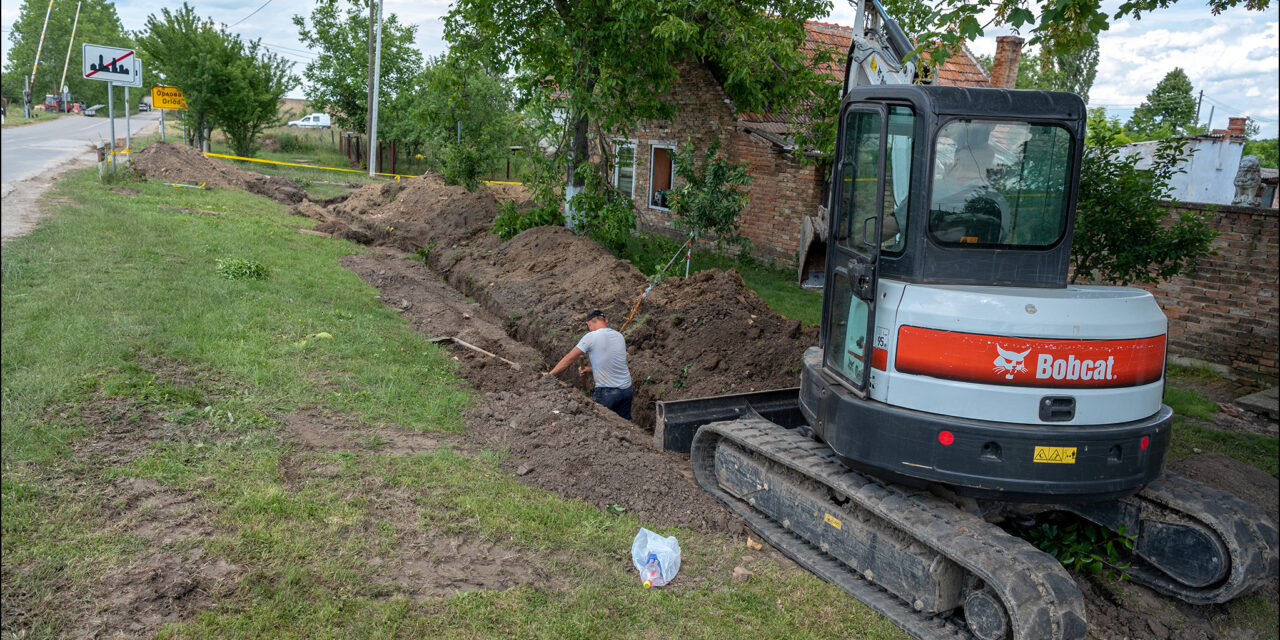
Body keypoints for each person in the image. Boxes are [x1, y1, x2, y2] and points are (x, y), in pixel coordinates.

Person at [544, 308, 633, 420]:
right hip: (627, 391)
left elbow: (569, 359)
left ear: (588, 324)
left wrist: (550, 375)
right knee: (625, 427)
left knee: (601, 425)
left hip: (607, 393)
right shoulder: (619, 336)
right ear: (606, 320)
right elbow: (614, 363)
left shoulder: (591, 337)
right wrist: (590, 369)